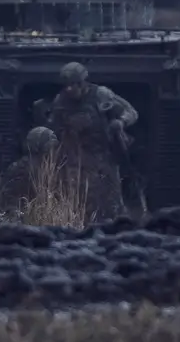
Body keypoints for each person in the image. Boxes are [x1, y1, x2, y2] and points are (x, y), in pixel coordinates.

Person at [37, 61, 138, 223]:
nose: (70, 89)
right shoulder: (61, 101)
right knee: (79, 198)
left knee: (111, 199)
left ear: (82, 82)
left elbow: (130, 112)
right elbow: (55, 126)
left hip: (104, 154)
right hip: (77, 157)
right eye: (67, 86)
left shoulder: (101, 95)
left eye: (74, 85)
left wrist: (121, 122)